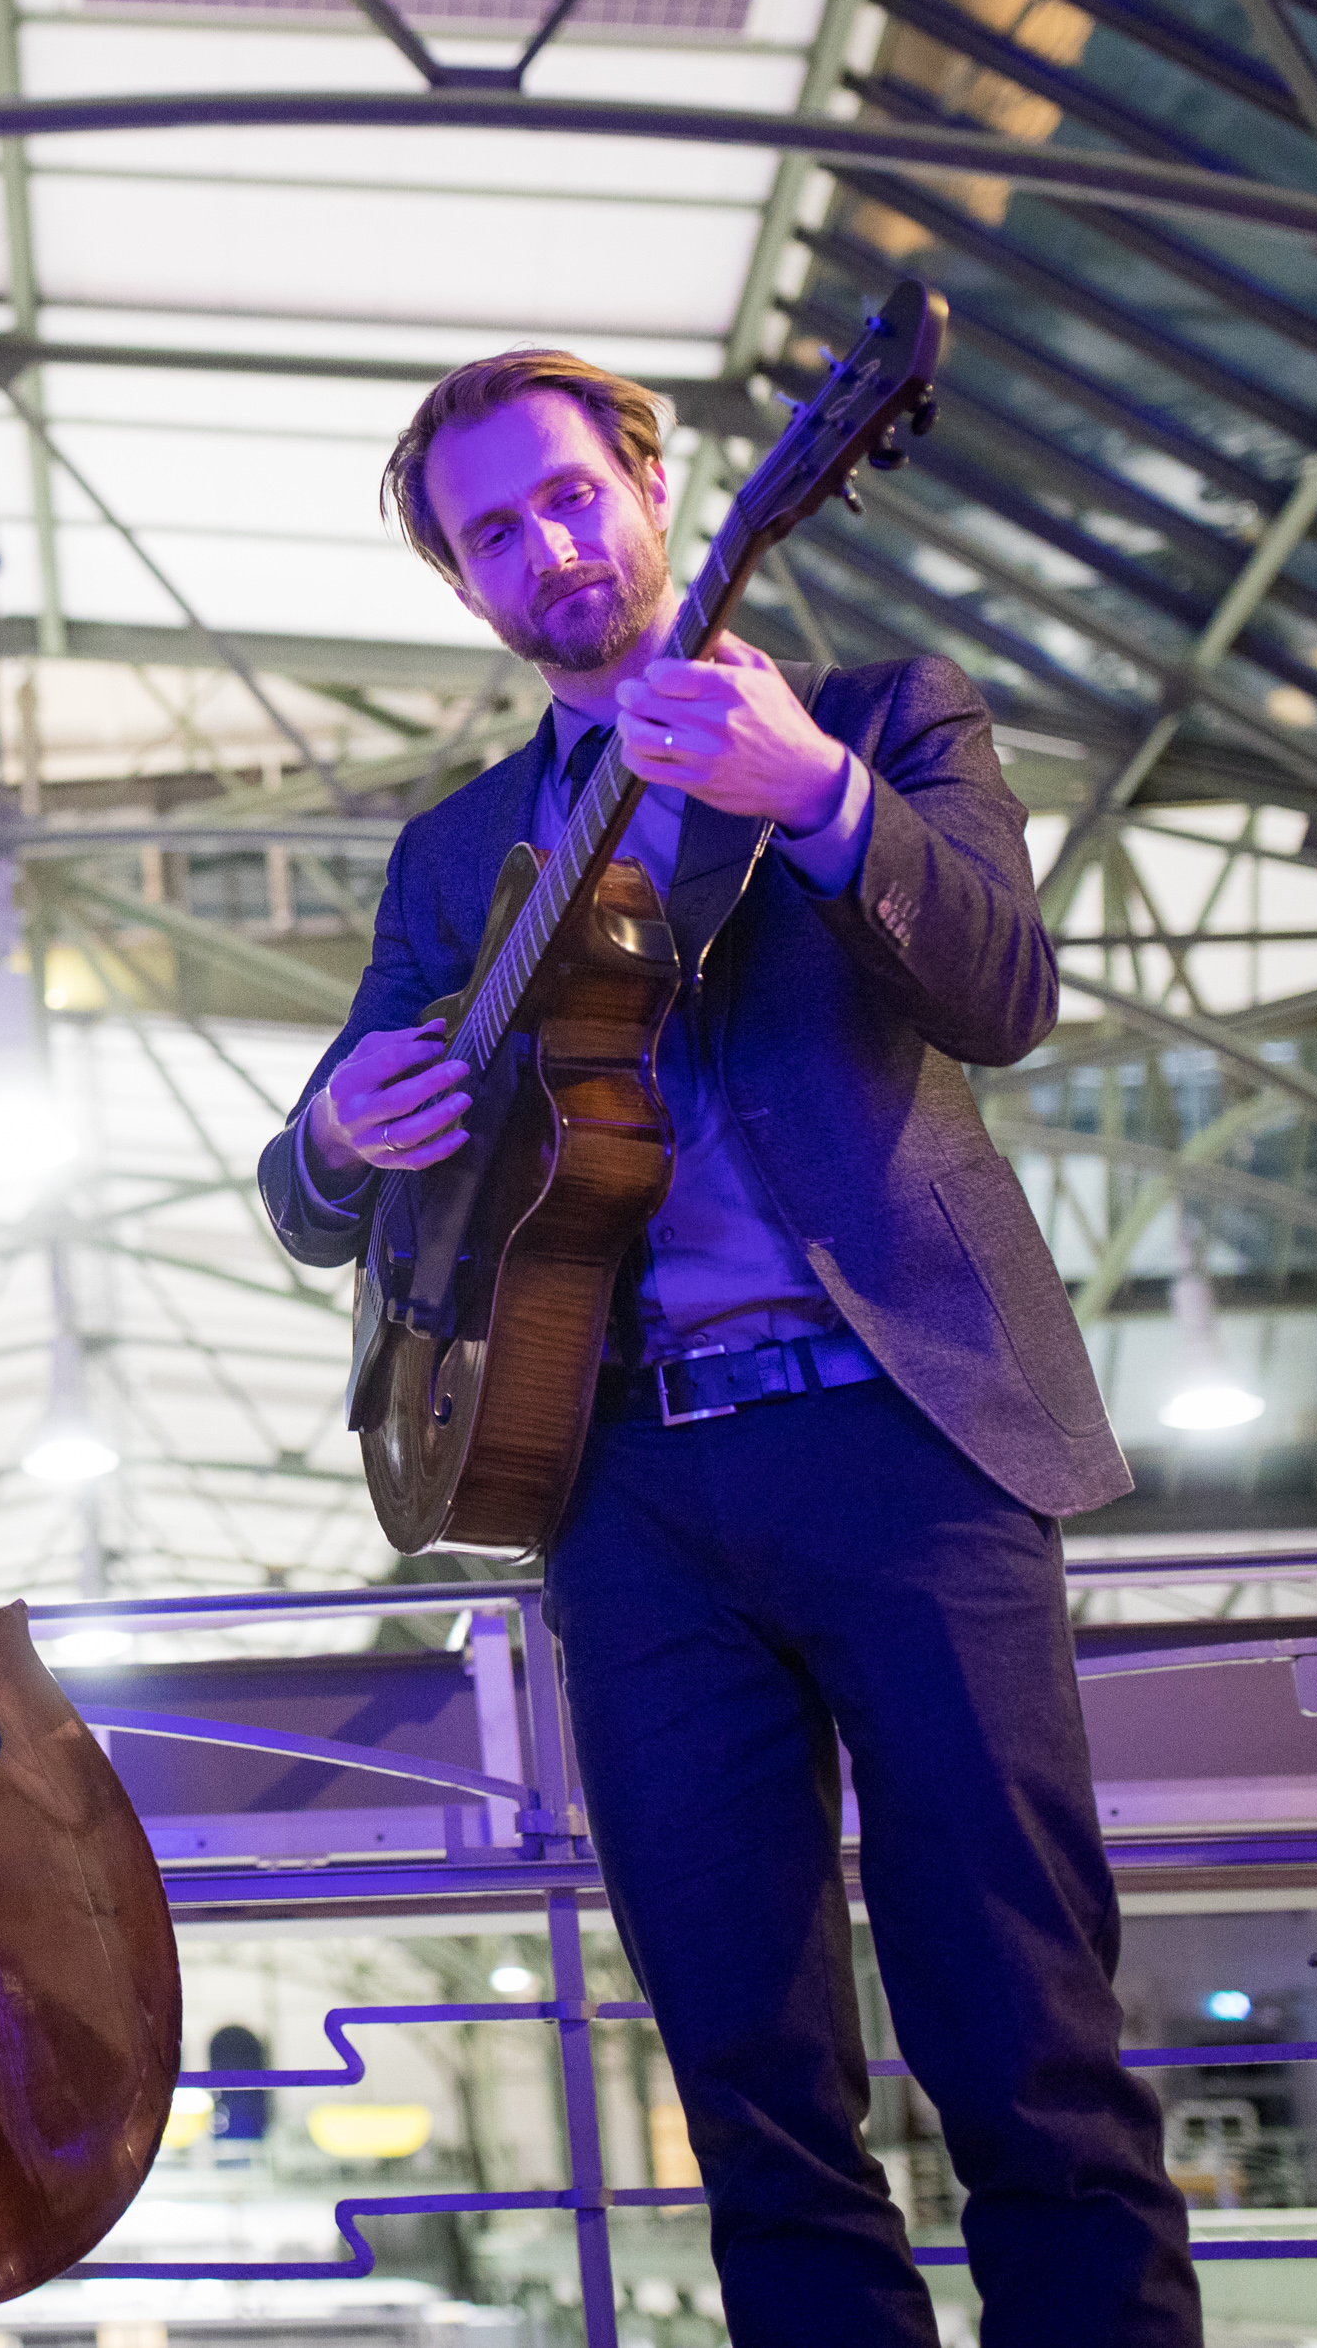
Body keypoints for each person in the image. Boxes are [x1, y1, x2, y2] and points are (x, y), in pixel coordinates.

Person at [254, 348, 1198, 2346]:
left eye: (566, 495)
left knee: (1024, 2035)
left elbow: (1003, 989)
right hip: (626, 1494)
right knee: (749, 2089)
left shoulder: (877, 715)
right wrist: (334, 1134)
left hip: (905, 1441)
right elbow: (318, 1167)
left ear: (655, 484)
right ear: (459, 584)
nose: (543, 547)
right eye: (488, 532)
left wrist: (820, 802)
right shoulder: (450, 860)